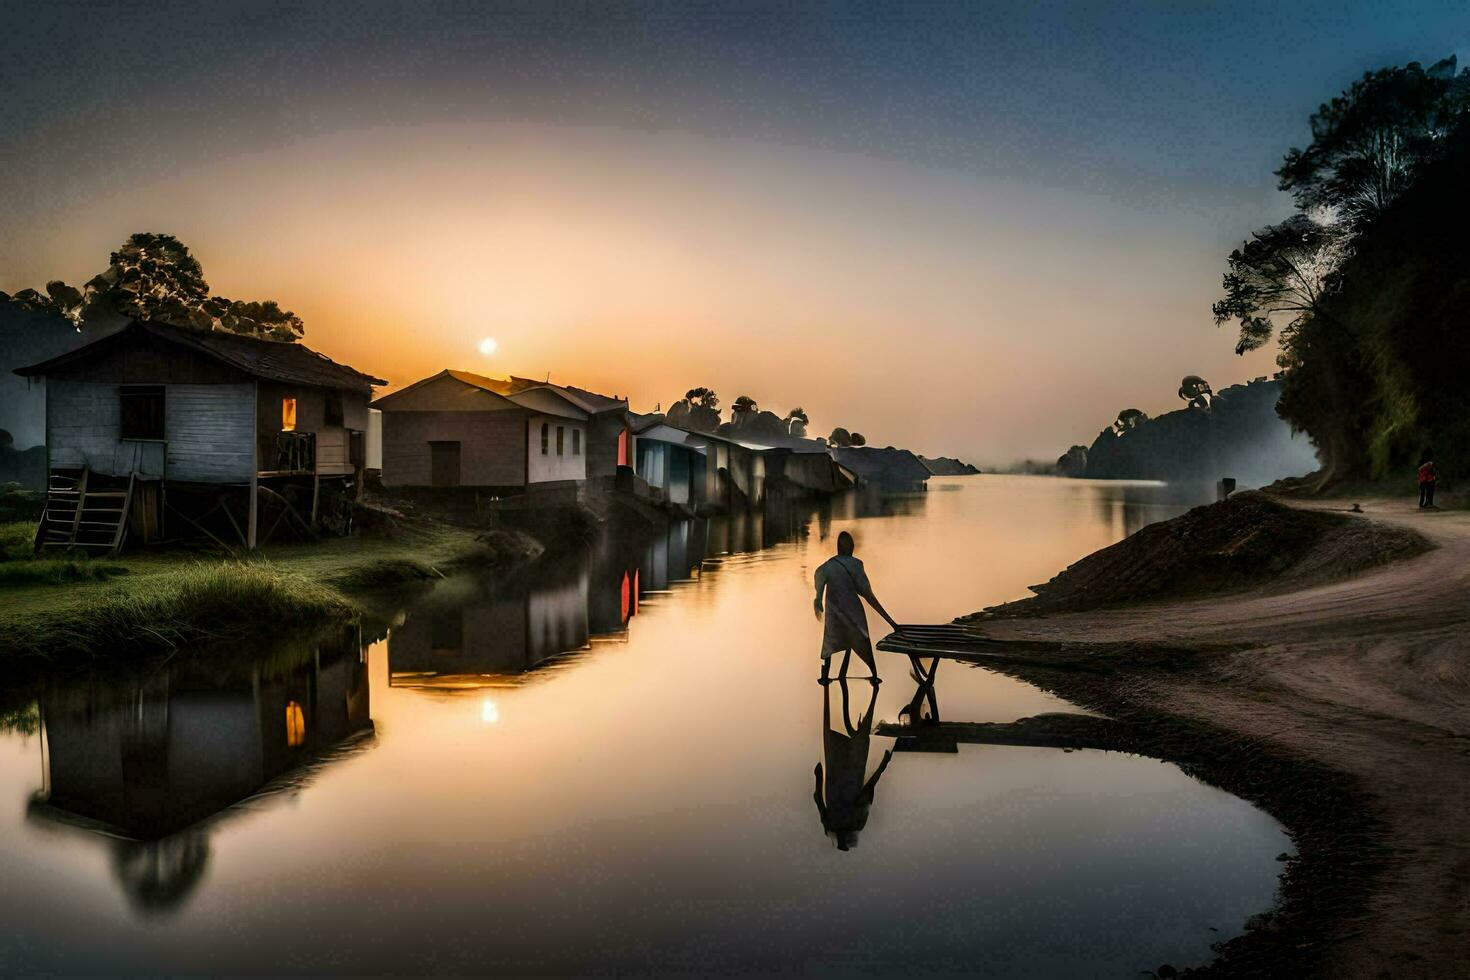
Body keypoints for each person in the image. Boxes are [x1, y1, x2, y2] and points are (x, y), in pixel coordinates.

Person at [813, 678, 892, 851]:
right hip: (840, 768)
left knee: (859, 735)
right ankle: (828, 686)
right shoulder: (837, 825)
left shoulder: (852, 823)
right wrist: (818, 776)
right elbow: (818, 798)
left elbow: (868, 791)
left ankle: (873, 690)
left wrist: (883, 766)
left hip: (847, 770)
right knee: (840, 730)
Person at [813, 530, 900, 683]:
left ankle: (825, 677)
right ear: (851, 548)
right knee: (863, 643)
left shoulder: (828, 566)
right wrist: (891, 622)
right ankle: (874, 676)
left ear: (838, 548)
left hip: (834, 616)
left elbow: (818, 574)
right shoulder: (856, 565)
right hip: (854, 615)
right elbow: (868, 596)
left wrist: (818, 600)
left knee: (829, 646)